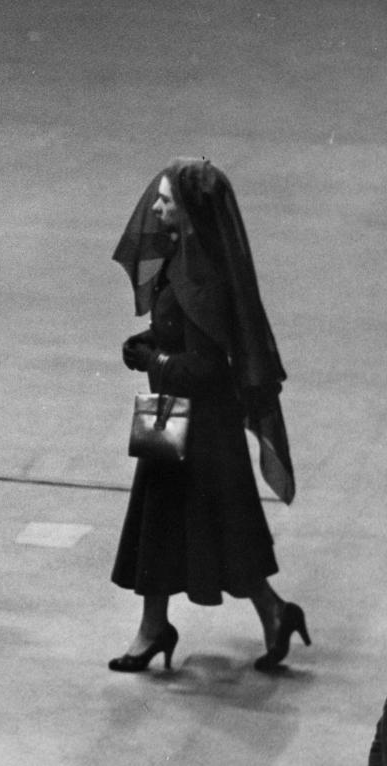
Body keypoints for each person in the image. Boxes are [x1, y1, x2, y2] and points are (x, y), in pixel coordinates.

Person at [109, 158, 309, 673]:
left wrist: (153, 361)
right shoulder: (183, 259)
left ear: (192, 210)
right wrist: (151, 341)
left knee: (219, 528)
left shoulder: (207, 278)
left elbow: (207, 371)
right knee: (166, 524)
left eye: (166, 200)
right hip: (170, 415)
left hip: (201, 429)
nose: (155, 208)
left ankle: (268, 611)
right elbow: (179, 333)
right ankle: (162, 625)